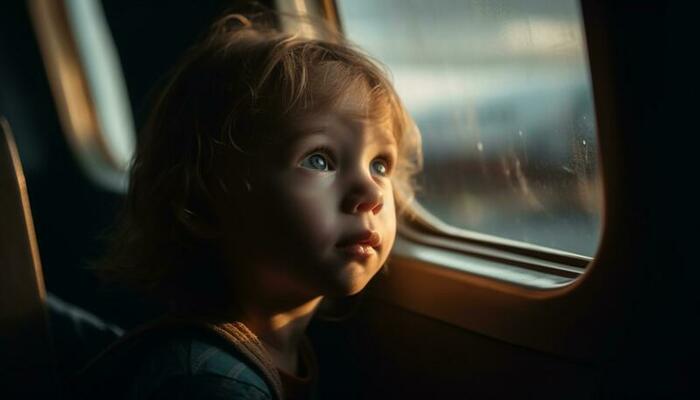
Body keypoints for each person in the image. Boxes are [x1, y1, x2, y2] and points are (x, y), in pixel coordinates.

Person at [77, 11, 421, 400]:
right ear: (203, 203)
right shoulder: (209, 384)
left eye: (380, 165)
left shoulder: (277, 351)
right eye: (319, 160)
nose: (372, 195)